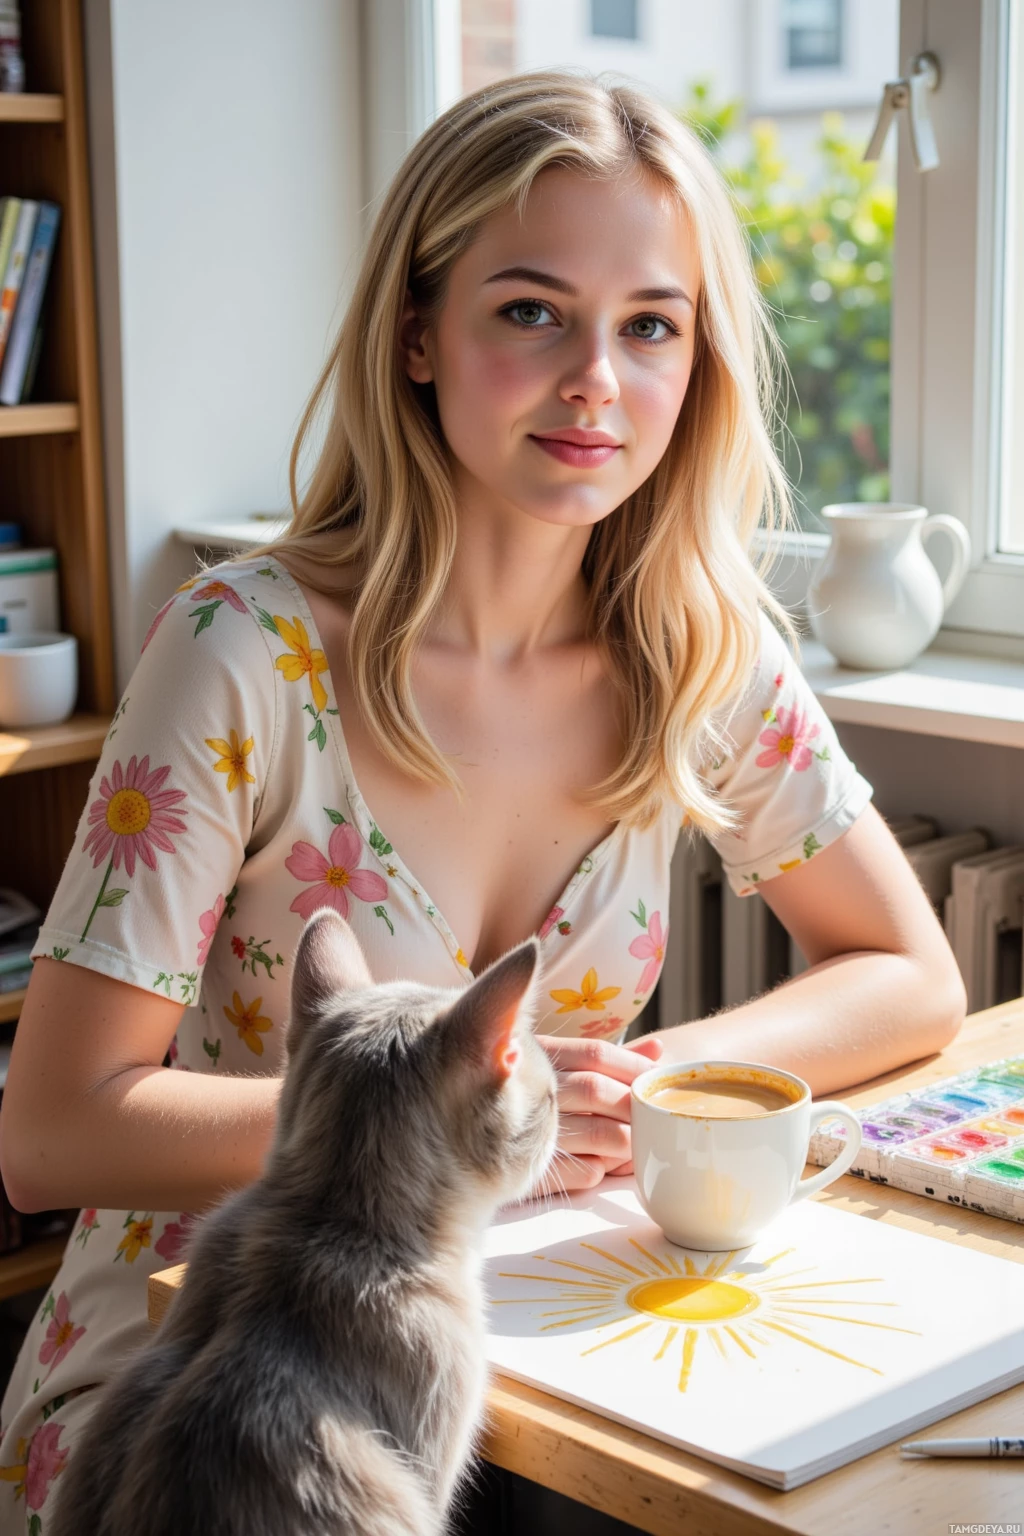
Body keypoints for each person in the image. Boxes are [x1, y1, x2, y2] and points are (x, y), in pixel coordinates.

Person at [0, 71, 964, 1534]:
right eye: (531, 311)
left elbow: (910, 971)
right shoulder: (241, 650)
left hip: (520, 1343)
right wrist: (428, 1123)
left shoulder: (698, 648)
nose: (597, 380)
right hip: (198, 1379)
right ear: (417, 334)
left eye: (651, 325)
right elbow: (55, 1129)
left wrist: (638, 1083)